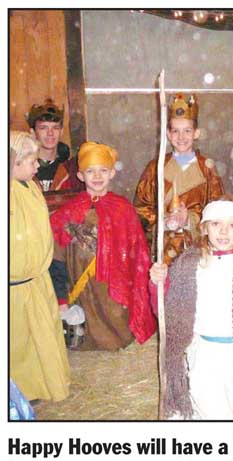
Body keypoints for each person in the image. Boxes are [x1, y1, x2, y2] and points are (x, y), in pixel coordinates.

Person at [149, 198, 233, 420]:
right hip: (205, 354)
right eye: (216, 224)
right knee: (210, 410)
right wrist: (157, 284)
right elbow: (164, 312)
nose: (223, 231)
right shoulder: (188, 265)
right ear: (204, 228)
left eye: (232, 225)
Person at [49, 142, 156, 350]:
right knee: (85, 329)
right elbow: (57, 256)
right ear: (80, 176)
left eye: (103, 171)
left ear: (112, 173)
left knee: (117, 328)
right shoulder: (69, 211)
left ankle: (115, 334)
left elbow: (138, 255)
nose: (97, 176)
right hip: (82, 289)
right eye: (90, 171)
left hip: (114, 287)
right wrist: (61, 298)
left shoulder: (123, 209)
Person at [10, 130, 70, 402]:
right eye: (32, 161)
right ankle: (20, 390)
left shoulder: (30, 186)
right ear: (13, 163)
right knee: (20, 342)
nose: (37, 165)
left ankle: (44, 383)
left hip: (37, 280)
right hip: (15, 287)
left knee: (43, 336)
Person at [134, 93, 225, 264]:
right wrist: (164, 221)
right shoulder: (155, 167)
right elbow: (141, 209)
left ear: (196, 133)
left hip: (196, 248)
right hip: (162, 248)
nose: (181, 137)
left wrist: (190, 220)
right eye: (175, 131)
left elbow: (218, 210)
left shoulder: (207, 168)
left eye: (187, 131)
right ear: (168, 134)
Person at [27, 98, 83, 192]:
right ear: (33, 133)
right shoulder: (22, 169)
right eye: (43, 128)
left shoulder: (72, 169)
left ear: (61, 131)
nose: (50, 133)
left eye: (55, 127)